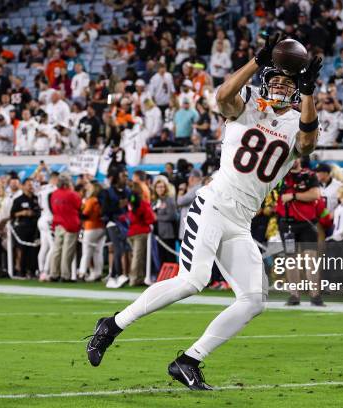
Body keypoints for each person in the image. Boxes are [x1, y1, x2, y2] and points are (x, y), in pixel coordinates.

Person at [85, 32, 322, 390]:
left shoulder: (298, 120)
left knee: (255, 300)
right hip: (214, 204)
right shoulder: (248, 104)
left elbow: (306, 145)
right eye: (273, 78)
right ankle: (113, 324)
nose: (278, 85)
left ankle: (188, 360)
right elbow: (222, 96)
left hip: (242, 221)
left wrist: (308, 93)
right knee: (192, 280)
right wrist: (256, 61)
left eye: (286, 82)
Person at [275, 158, 322, 306]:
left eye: (296, 156)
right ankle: (294, 295)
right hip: (287, 224)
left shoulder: (309, 175)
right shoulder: (281, 175)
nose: (293, 159)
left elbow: (315, 195)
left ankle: (315, 295)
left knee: (311, 259)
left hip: (307, 223)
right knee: (291, 260)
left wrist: (294, 196)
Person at [48, 173, 81, 282]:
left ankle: (54, 273)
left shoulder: (54, 194)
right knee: (68, 251)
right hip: (71, 224)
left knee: (57, 249)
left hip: (58, 223)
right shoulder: (72, 194)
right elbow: (79, 206)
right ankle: (65, 275)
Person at [127, 182, 156, 286]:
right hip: (141, 232)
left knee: (136, 256)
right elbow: (151, 218)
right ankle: (134, 279)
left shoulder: (129, 204)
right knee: (138, 257)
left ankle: (139, 278)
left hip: (130, 232)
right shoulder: (144, 204)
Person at [10, 178, 41, 278]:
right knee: (22, 249)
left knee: (33, 250)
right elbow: (12, 214)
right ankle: (21, 270)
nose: (30, 187)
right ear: (23, 186)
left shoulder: (37, 198)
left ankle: (32, 270)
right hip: (22, 227)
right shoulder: (18, 200)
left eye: (32, 184)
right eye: (28, 184)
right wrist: (22, 213)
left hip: (35, 227)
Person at [78, 181, 106, 282]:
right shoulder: (101, 200)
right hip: (101, 227)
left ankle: (82, 273)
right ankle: (98, 273)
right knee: (98, 252)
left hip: (91, 227)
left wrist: (79, 210)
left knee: (86, 252)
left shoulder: (91, 200)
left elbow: (85, 215)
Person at [37, 171, 58, 281]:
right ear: (55, 179)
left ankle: (41, 270)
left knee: (44, 247)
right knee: (53, 246)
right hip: (49, 219)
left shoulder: (42, 188)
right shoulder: (53, 189)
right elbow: (52, 205)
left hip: (41, 218)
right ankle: (46, 271)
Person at [152, 178, 178, 264]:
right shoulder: (156, 201)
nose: (160, 189)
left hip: (168, 234)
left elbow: (173, 216)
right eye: (158, 187)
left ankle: (172, 276)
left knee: (170, 258)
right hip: (158, 234)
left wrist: (157, 217)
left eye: (162, 187)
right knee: (162, 258)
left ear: (166, 188)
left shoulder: (169, 199)